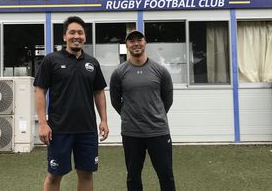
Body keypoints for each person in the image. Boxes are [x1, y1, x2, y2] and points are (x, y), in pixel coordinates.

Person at [34, 16, 109, 191]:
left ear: (85, 36)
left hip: (87, 130)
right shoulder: (51, 60)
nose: (77, 36)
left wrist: (103, 120)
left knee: (86, 174)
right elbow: (40, 91)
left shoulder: (92, 63)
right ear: (64, 37)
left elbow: (98, 92)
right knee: (54, 175)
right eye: (72, 32)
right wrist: (43, 124)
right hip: (59, 130)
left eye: (80, 33)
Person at [110, 30, 175, 191]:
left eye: (139, 40)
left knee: (166, 175)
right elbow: (115, 101)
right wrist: (129, 115)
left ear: (145, 43)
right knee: (133, 176)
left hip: (158, 132)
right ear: (127, 46)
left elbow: (167, 100)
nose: (136, 44)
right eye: (131, 41)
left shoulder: (160, 71)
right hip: (132, 133)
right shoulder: (119, 73)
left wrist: (156, 114)